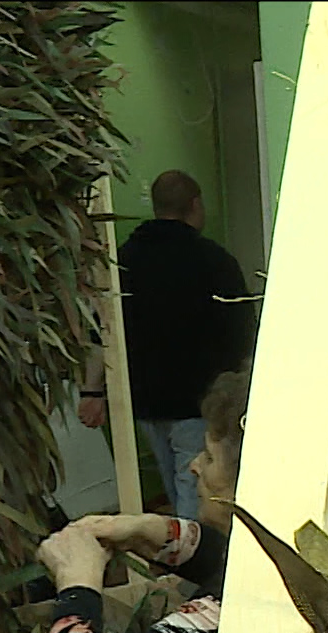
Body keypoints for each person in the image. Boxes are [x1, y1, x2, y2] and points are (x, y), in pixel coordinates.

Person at [38, 372, 246, 633]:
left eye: (208, 457)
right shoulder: (282, 558)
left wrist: (76, 586)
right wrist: (159, 535)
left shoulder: (224, 616)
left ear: (249, 485)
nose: (195, 466)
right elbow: (229, 562)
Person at [85, 171, 254, 520]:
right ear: (195, 205)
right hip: (199, 400)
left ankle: (182, 557)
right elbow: (242, 332)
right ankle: (200, 562)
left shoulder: (122, 262)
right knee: (196, 485)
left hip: (144, 399)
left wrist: (92, 392)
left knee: (175, 487)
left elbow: (102, 331)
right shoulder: (214, 261)